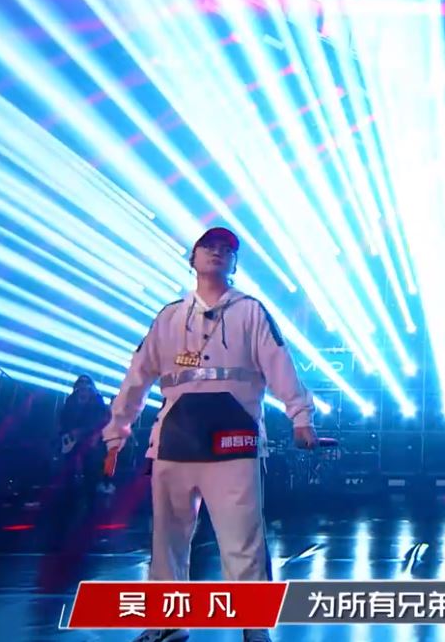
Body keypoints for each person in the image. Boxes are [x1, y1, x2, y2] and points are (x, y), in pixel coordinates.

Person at [102, 227, 317, 642]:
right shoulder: (169, 317)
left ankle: (254, 625)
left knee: (242, 539)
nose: (217, 253)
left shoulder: (250, 311)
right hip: (175, 440)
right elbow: (136, 376)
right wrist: (117, 432)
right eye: (209, 247)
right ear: (192, 258)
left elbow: (280, 365)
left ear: (234, 264)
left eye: (226, 250)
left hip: (234, 442)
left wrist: (300, 416)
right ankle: (165, 623)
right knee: (166, 540)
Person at [58, 374, 113, 499]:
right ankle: (69, 500)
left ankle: (90, 500)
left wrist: (84, 432)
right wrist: (66, 432)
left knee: (90, 472)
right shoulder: (71, 399)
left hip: (89, 440)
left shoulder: (97, 400)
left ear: (91, 386)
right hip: (71, 440)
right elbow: (63, 417)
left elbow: (101, 420)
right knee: (69, 472)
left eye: (86, 383)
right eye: (81, 383)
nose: (83, 385)